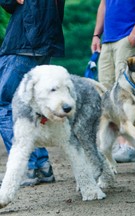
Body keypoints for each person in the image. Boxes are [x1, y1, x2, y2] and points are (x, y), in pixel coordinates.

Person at [0, 0, 65, 186]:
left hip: (26, 42)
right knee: (28, 107)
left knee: (5, 104)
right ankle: (40, 166)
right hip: (42, 40)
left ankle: (27, 167)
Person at [91, 0, 135, 162]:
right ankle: (122, 144)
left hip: (127, 38)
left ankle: (128, 145)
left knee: (125, 91)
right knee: (106, 93)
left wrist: (133, 35)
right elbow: (103, 5)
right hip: (108, 40)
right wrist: (97, 35)